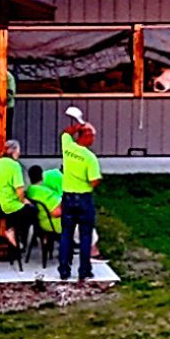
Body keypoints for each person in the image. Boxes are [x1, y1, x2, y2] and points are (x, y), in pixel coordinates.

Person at [58, 109, 102, 281]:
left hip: (67, 198)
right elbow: (94, 180)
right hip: (84, 199)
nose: (94, 139)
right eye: (93, 136)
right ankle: (84, 270)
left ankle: (64, 270)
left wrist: (79, 126)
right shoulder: (90, 158)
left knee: (66, 234)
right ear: (87, 137)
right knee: (85, 235)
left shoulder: (67, 146)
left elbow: (65, 133)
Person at [0, 138, 34, 258]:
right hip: (8, 204)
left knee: (20, 212)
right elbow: (19, 190)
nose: (19, 153)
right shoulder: (15, 166)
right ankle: (19, 241)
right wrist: (24, 200)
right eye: (18, 150)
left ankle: (12, 230)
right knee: (32, 211)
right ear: (14, 151)